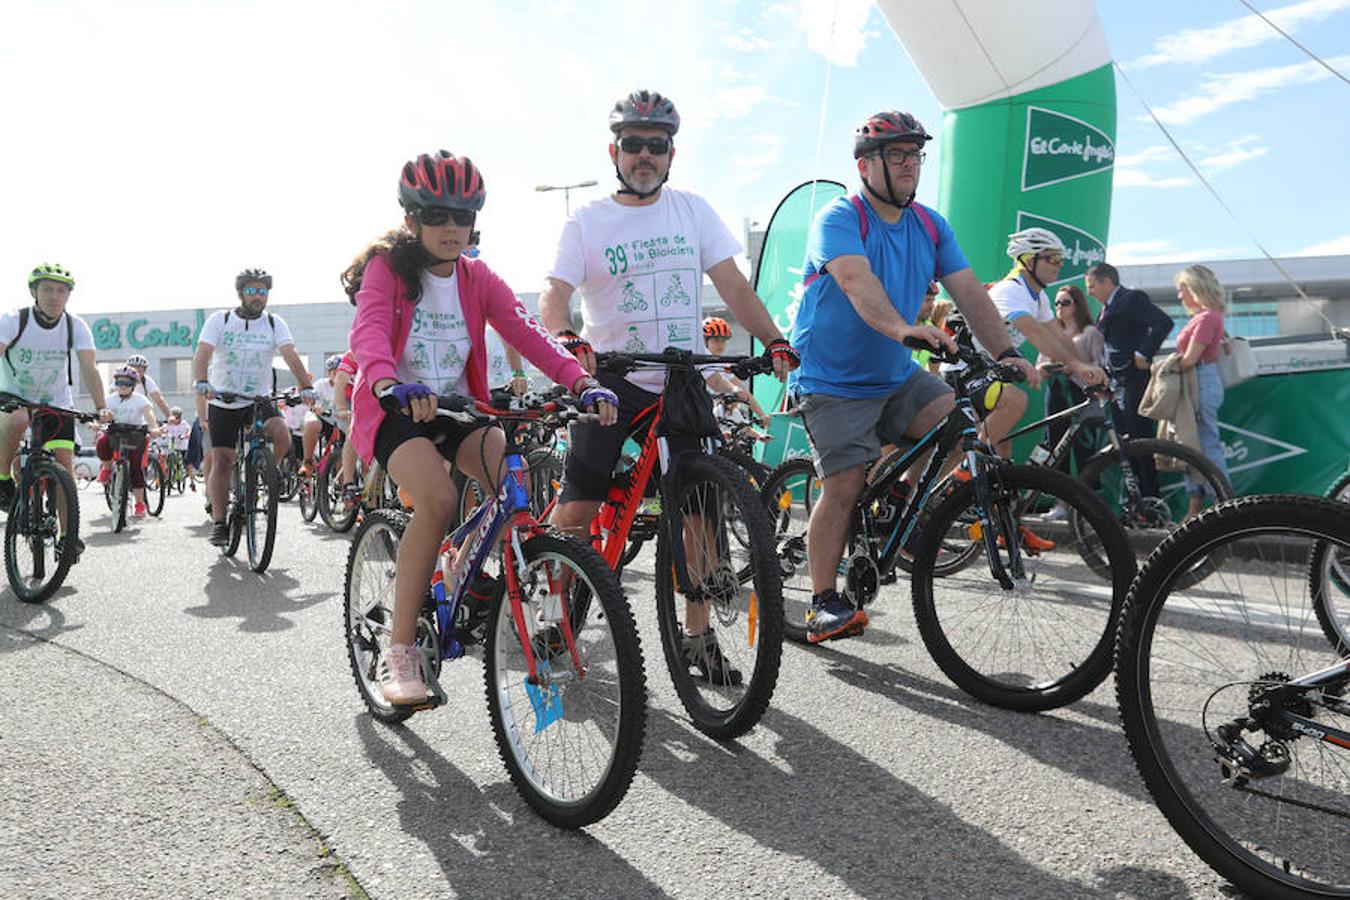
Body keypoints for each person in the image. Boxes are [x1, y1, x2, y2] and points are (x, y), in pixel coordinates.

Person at [538, 90, 798, 681]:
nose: (645, 156)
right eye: (634, 145)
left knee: (699, 509)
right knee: (577, 505)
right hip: (615, 379)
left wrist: (775, 339)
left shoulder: (693, 211)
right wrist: (564, 336)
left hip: (680, 380)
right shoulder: (588, 221)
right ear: (615, 151)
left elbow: (734, 287)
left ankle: (696, 638)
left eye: (657, 146)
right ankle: (554, 612)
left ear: (672, 152)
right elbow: (553, 293)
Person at [343, 149, 611, 706]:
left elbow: (528, 332)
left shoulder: (477, 276)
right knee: (437, 501)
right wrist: (389, 385)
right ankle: (400, 654)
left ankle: (466, 570)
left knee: (509, 486)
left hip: (463, 410)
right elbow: (368, 334)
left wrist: (581, 382)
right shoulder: (388, 270)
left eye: (461, 217)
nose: (450, 228)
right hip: (397, 411)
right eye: (437, 216)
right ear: (411, 219)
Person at [789, 110, 1039, 643]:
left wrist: (1006, 350)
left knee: (961, 426)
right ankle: (822, 601)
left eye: (915, 156)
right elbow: (857, 283)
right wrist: (904, 328)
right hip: (831, 379)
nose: (909, 166)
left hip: (894, 374)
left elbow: (970, 291)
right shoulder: (840, 218)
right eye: (897, 156)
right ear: (866, 165)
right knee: (845, 485)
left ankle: (901, 500)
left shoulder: (930, 225)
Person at [193, 268, 316, 546]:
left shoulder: (274, 323)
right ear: (241, 294)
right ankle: (220, 521)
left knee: (281, 433)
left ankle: (264, 474)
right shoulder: (220, 320)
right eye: (252, 291)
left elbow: (290, 354)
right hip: (223, 400)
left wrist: (305, 385)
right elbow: (202, 353)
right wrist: (201, 379)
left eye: (263, 291)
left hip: (258, 399)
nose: (258, 296)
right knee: (223, 459)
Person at [0, 265, 108, 560]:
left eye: (61, 290)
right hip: (12, 395)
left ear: (68, 295)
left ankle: (67, 537)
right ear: (34, 291)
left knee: (64, 464)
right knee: (20, 418)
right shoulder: (13, 320)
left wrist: (101, 407)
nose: (54, 296)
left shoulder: (75, 326)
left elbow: (89, 368)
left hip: (56, 399)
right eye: (47, 289)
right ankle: (3, 480)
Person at [975, 228, 1106, 460]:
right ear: (1028, 260)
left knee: (1003, 448)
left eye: (1060, 259)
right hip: (966, 372)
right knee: (1015, 401)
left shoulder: (1040, 298)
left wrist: (1088, 370)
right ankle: (964, 472)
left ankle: (992, 493)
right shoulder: (1010, 290)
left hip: (990, 375)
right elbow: (1036, 334)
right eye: (1051, 258)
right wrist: (1079, 367)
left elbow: (1061, 337)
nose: (1058, 265)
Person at [1087, 261, 1175, 497]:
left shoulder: (1131, 299)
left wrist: (1143, 353)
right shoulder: (1104, 309)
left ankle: (1150, 498)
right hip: (1115, 384)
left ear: (1107, 281)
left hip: (1135, 380)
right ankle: (1135, 500)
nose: (1089, 292)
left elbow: (1163, 322)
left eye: (1092, 286)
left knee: (1140, 441)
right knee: (1124, 443)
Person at [1171, 264, 1231, 518]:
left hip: (1200, 382)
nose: (1179, 295)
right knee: (1192, 445)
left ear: (1195, 287)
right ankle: (1197, 507)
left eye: (1181, 288)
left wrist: (1166, 367)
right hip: (1198, 383)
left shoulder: (1208, 318)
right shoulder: (1208, 317)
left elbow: (1190, 358)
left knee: (1205, 443)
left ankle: (1223, 503)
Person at [96, 366, 161, 518]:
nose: (122, 386)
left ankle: (139, 504)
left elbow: (149, 413)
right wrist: (98, 422)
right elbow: (102, 415)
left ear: (134, 384)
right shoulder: (109, 399)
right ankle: (106, 468)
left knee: (136, 469)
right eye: (119, 382)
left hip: (135, 434)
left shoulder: (140, 399)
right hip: (115, 432)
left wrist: (153, 427)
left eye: (126, 382)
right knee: (102, 441)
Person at [702, 316, 771, 427]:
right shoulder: (702, 357)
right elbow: (716, 382)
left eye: (723, 341)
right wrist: (734, 390)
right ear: (704, 342)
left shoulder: (721, 362)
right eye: (716, 340)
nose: (720, 345)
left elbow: (742, 391)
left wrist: (762, 415)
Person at [123, 353, 172, 419]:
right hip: (121, 417)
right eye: (133, 371)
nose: (136, 374)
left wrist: (170, 417)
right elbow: (111, 396)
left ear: (144, 371)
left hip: (140, 419)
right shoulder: (120, 380)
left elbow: (159, 400)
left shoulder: (147, 381)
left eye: (139, 371)